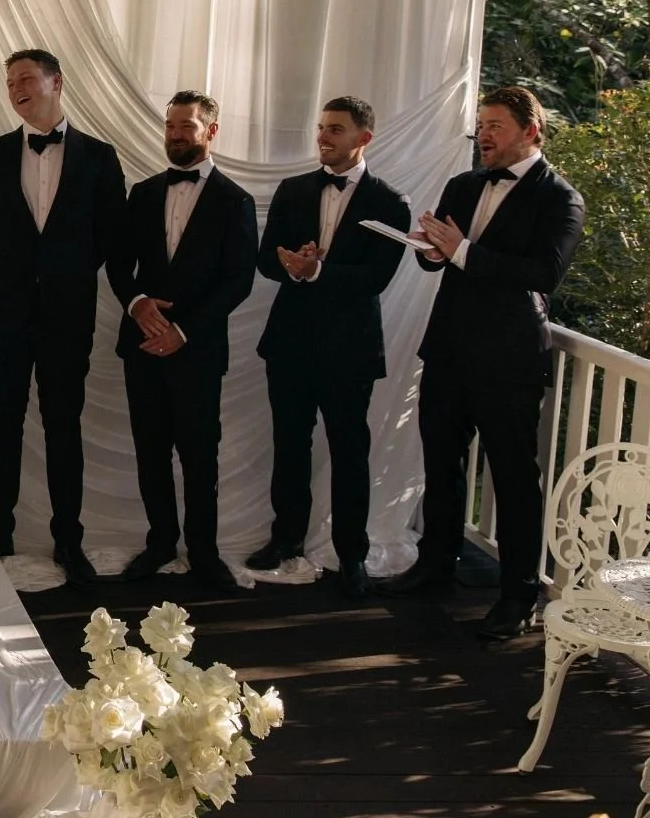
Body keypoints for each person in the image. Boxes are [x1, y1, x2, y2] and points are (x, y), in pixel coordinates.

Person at [379, 85, 584, 640]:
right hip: (448, 349)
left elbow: (543, 274)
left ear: (530, 131)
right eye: (481, 125)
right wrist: (430, 250)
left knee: (514, 478)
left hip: (508, 360)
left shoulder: (561, 198)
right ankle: (435, 565)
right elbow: (440, 262)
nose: (483, 135)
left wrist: (461, 250)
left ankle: (519, 596)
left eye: (495, 125)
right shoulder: (464, 185)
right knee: (440, 463)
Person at [0, 49, 124, 586]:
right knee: (1, 424)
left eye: (26, 78)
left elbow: (108, 235)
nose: (16, 89)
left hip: (67, 315)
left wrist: (60, 276)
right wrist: (17, 274)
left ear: (57, 82)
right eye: (10, 82)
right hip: (2, 313)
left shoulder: (99, 158)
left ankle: (68, 541)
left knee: (63, 427)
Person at [247, 97, 410, 599]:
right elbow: (266, 261)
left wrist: (317, 270)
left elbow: (376, 278)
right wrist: (291, 263)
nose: (322, 137)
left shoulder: (391, 202)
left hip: (350, 348)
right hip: (290, 342)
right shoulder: (293, 189)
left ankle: (352, 554)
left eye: (335, 129)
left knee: (349, 451)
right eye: (321, 127)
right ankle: (286, 539)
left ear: (364, 137)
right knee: (289, 445)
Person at [107, 91, 257, 594]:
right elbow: (117, 263)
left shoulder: (235, 201)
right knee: (150, 451)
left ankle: (204, 552)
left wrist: (183, 331)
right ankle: (160, 544)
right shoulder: (143, 193)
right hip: (142, 346)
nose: (174, 134)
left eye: (186, 126)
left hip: (198, 350)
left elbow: (238, 282)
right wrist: (137, 304)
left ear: (210, 131)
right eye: (170, 126)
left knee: (199, 455)